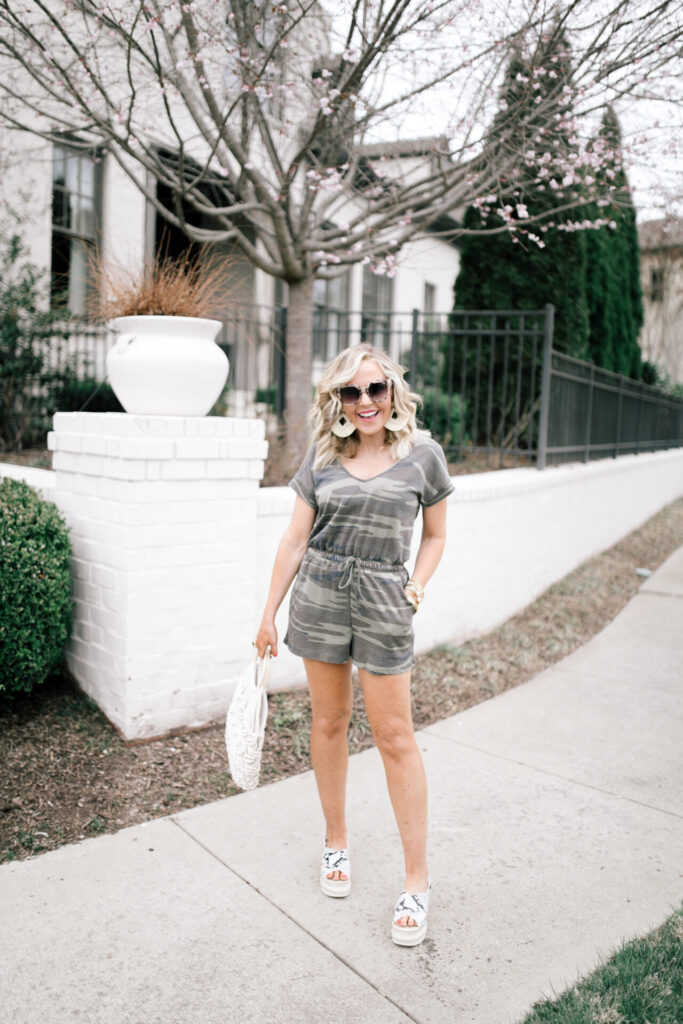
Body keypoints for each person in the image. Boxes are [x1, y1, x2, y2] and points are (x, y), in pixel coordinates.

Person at [255, 342, 453, 946]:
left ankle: (415, 883)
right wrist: (267, 616)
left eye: (375, 388)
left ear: (392, 389)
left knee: (395, 737)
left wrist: (415, 586)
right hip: (318, 594)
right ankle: (336, 844)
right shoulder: (322, 456)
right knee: (329, 722)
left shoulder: (423, 456)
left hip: (384, 601)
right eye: (350, 391)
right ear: (335, 400)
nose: (365, 402)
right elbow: (294, 540)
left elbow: (436, 535)